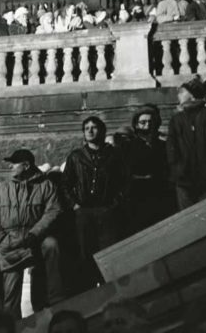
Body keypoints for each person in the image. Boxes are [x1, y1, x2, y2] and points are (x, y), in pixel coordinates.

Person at [0, 149, 65, 318]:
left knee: (51, 245)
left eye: (14, 163)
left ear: (26, 165)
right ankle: (12, 325)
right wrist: (0, 240)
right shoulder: (2, 189)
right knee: (10, 297)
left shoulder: (45, 185)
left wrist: (35, 234)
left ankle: (57, 307)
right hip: (10, 241)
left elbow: (53, 211)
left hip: (36, 238)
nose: (11, 167)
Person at [63, 117, 127, 288]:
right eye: (87, 128)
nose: (90, 131)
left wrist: (115, 204)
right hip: (84, 213)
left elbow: (125, 182)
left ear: (102, 131)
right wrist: (74, 205)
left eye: (94, 127)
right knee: (86, 255)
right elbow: (65, 185)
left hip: (107, 212)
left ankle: (111, 291)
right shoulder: (76, 157)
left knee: (109, 253)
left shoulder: (114, 155)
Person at [167, 76, 206, 210]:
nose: (178, 94)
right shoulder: (177, 119)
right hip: (184, 180)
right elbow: (171, 148)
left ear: (192, 95)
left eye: (182, 91)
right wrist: (178, 169)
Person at [119, 105, 173, 233]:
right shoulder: (127, 147)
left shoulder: (163, 145)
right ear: (136, 125)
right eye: (143, 122)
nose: (147, 125)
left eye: (150, 122)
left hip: (160, 194)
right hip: (137, 196)